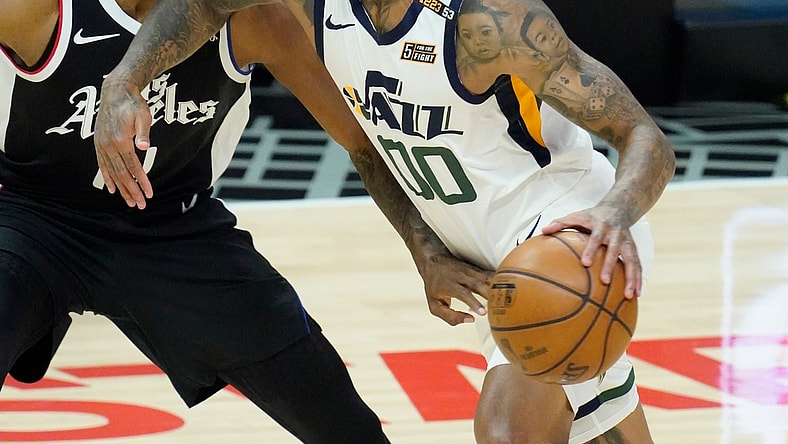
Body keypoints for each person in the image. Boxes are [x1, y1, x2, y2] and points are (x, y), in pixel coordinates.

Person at [96, 0, 677, 442]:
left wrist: (615, 214)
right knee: (593, 416)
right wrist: (124, 80)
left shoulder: (491, 22)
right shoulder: (321, 8)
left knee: (507, 432)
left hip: (566, 236)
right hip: (487, 265)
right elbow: (202, 6)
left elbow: (643, 135)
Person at [0, 0, 492, 442]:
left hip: (175, 230)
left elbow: (360, 142)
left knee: (341, 420)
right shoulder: (39, 12)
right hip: (32, 219)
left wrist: (423, 247)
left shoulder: (257, 20)